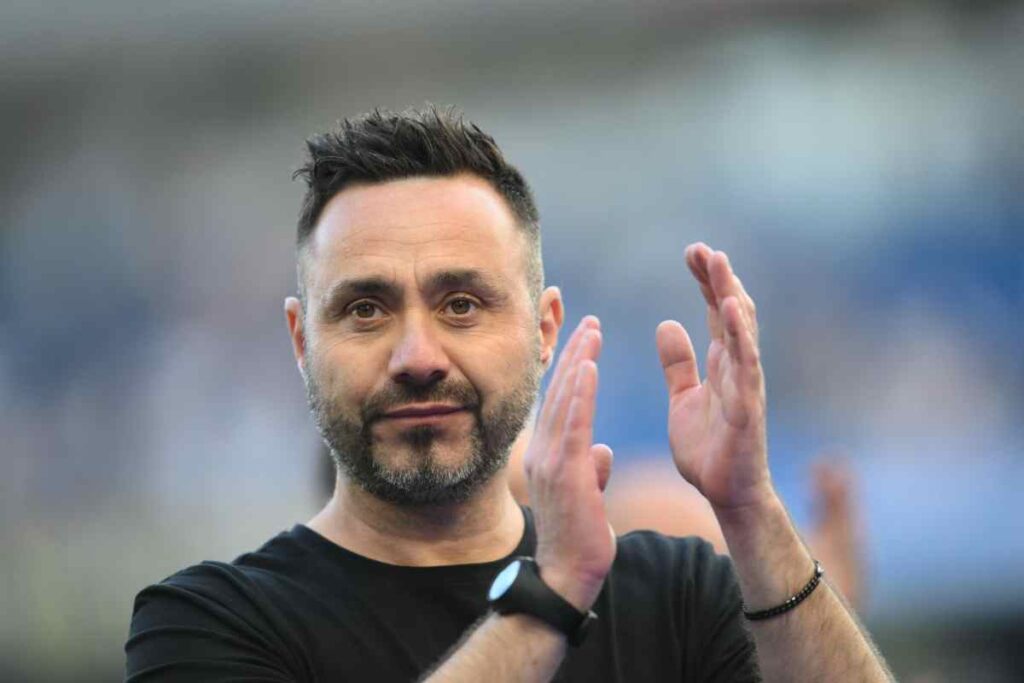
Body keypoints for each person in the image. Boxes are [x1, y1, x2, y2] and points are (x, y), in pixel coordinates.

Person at [125, 107, 893, 681]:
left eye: (461, 303)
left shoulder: (678, 595)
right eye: (366, 309)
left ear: (543, 327)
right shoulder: (205, 622)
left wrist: (754, 515)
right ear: (301, 340)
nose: (417, 357)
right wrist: (552, 593)